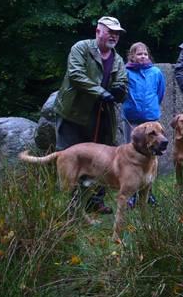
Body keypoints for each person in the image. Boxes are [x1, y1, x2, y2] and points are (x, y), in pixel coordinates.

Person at [53, 16, 129, 214]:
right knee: (70, 155)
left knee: (102, 158)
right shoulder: (81, 48)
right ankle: (69, 205)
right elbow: (76, 75)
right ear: (98, 32)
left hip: (102, 115)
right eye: (110, 31)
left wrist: (120, 89)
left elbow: (121, 81)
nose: (114, 36)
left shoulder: (118, 59)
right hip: (73, 113)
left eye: (117, 33)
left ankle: (95, 201)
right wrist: (101, 92)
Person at [122, 42, 165, 207]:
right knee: (133, 155)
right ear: (131, 56)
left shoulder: (155, 72)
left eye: (145, 54)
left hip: (151, 117)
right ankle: (131, 193)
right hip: (132, 118)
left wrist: (152, 107)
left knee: (152, 157)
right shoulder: (126, 72)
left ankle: (148, 193)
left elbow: (160, 92)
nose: (143, 57)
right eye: (139, 54)